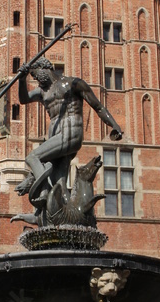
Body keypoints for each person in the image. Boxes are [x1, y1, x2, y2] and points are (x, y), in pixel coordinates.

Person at [16, 59, 122, 204]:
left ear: (44, 68)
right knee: (59, 184)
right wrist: (22, 80)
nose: (35, 80)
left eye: (35, 75)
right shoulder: (43, 91)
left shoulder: (73, 84)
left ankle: (44, 190)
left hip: (70, 132)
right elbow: (24, 99)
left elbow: (98, 107)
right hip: (56, 137)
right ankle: (67, 215)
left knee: (32, 157)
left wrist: (114, 125)